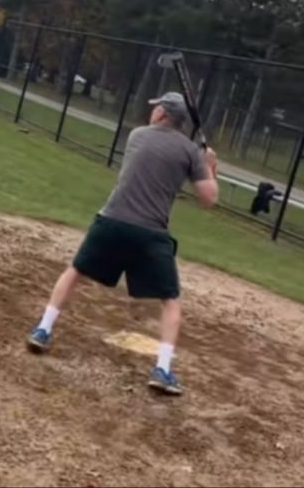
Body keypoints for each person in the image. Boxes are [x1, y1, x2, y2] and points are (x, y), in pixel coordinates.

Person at [26, 92, 220, 396]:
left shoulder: (137, 135)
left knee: (74, 272)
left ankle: (43, 329)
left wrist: (199, 159)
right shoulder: (189, 151)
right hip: (151, 234)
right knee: (170, 302)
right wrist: (209, 165)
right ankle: (163, 370)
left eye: (156, 108)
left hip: (112, 222)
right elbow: (209, 199)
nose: (151, 111)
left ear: (162, 114)